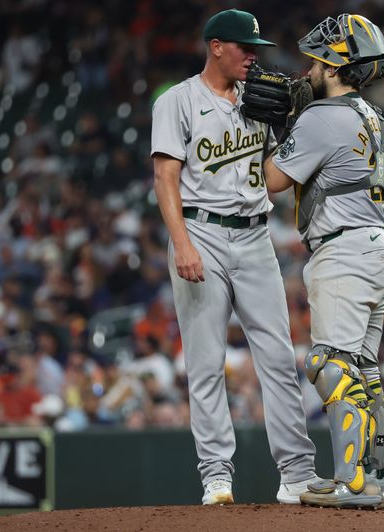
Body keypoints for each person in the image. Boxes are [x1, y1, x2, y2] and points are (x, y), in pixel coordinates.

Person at [150, 8, 317, 506]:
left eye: (257, 49)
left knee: (280, 358)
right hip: (201, 232)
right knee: (205, 363)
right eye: (245, 48)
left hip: (255, 237)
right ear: (216, 46)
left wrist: (306, 139)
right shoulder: (177, 101)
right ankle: (217, 476)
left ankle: (297, 473)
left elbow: (269, 177)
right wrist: (181, 242)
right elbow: (165, 178)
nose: (253, 57)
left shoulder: (257, 98)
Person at [262, 13, 384, 509]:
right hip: (379, 247)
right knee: (364, 368)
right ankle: (376, 479)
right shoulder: (375, 119)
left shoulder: (321, 117)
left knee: (331, 364)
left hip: (344, 250)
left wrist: (277, 129)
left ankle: (352, 483)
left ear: (335, 62)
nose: (309, 69)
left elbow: (272, 180)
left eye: (316, 60)